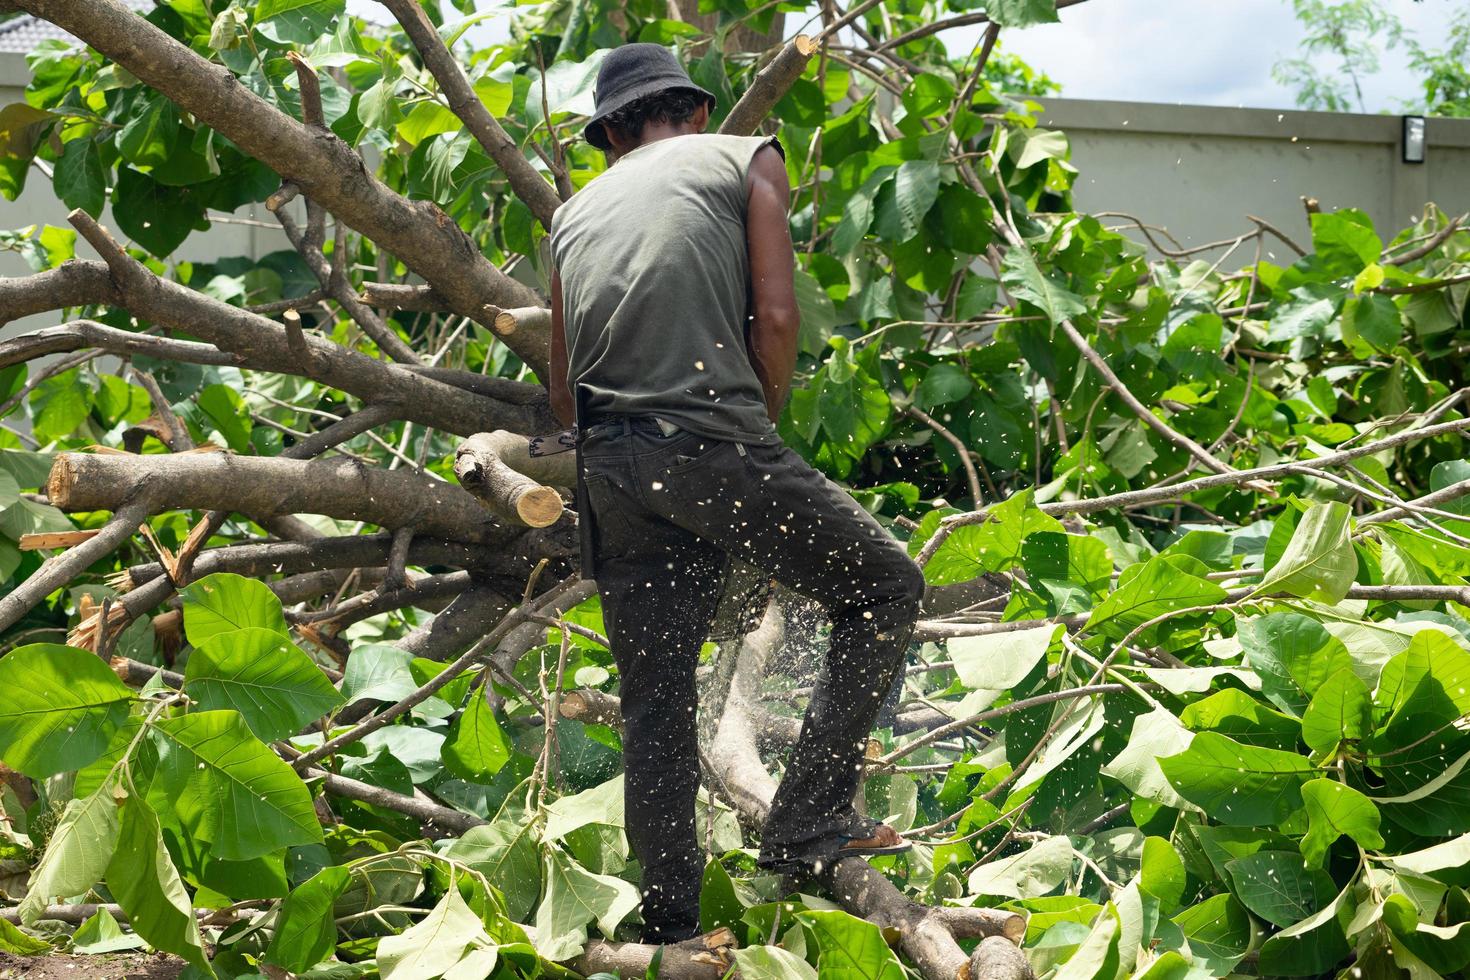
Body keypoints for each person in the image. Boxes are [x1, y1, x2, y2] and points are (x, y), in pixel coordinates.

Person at [546, 42, 926, 945]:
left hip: (609, 471)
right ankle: (804, 825)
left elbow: (562, 393)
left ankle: (674, 931)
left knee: (656, 700)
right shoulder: (744, 156)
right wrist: (759, 431)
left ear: (608, 136)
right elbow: (780, 317)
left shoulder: (571, 212)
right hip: (709, 441)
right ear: (695, 112)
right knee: (884, 588)